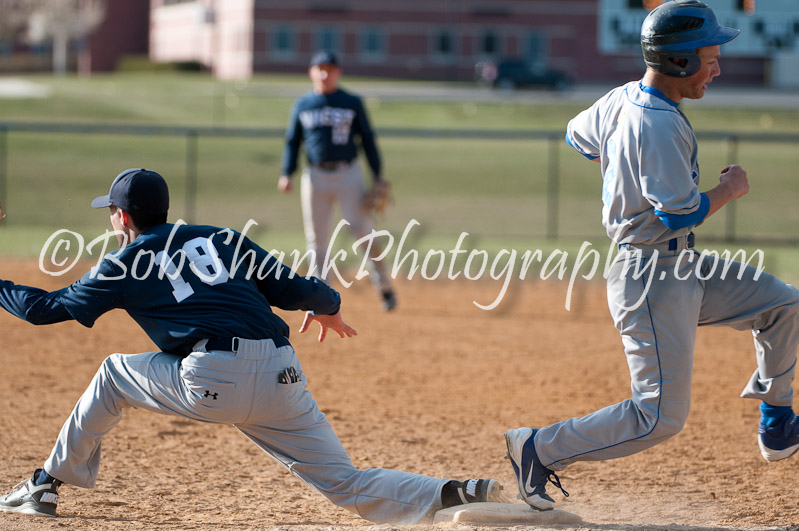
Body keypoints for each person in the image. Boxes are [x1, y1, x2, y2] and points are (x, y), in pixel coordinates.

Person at [0, 168, 502, 522]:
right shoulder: (221, 237)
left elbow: (44, 309)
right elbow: (296, 288)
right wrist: (328, 304)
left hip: (212, 378)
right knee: (345, 483)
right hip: (282, 373)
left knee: (113, 373)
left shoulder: (122, 262)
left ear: (123, 217)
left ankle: (44, 486)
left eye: (111, 212)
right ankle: (456, 494)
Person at [504, 0, 799, 511]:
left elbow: (578, 137)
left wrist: (622, 162)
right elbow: (679, 215)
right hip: (650, 275)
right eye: (710, 59)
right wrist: (730, 189)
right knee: (658, 416)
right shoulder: (657, 124)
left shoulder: (623, 98)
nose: (717, 69)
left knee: (783, 305)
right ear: (679, 61)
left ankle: (778, 425)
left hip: (680, 267)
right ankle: (539, 448)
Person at [278, 50, 397, 312]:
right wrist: (287, 172)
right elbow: (293, 141)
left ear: (338, 72)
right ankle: (321, 297)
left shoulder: (351, 102)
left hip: (348, 174)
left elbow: (367, 138)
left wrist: (377, 174)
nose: (324, 73)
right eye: (319, 68)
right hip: (315, 176)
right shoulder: (303, 104)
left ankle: (384, 286)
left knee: (363, 230)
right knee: (317, 238)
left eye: (329, 69)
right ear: (311, 72)